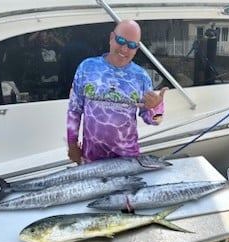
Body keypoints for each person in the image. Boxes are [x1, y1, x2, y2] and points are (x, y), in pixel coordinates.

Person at [67, 20, 168, 165]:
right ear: (111, 38)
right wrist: (72, 144)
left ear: (137, 48)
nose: (124, 49)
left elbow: (155, 121)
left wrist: (156, 107)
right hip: (91, 158)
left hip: (128, 161)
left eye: (131, 45)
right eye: (121, 40)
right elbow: (74, 110)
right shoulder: (87, 67)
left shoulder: (141, 77)